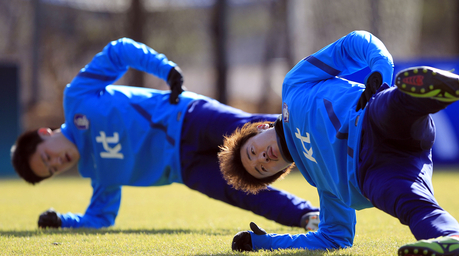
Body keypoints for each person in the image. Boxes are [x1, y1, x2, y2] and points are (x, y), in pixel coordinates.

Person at [219, 30, 459, 256]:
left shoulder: (294, 85)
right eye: (262, 169)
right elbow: (333, 239)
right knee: (407, 201)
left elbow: (352, 44)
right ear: (279, 172)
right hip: (379, 172)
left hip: (369, 119)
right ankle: (452, 239)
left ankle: (429, 92)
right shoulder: (324, 185)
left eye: (252, 151)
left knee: (392, 106)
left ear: (261, 127)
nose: (262, 159)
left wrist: (379, 69)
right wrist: (264, 243)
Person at [10, 37, 320, 231]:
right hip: (186, 169)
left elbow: (120, 51)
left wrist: (165, 69)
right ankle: (309, 217)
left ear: (44, 133)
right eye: (51, 169)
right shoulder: (96, 171)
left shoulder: (76, 98)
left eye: (46, 156)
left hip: (188, 117)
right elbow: (100, 218)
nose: (57, 162)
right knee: (243, 190)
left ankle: (336, 120)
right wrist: (62, 221)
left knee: (267, 131)